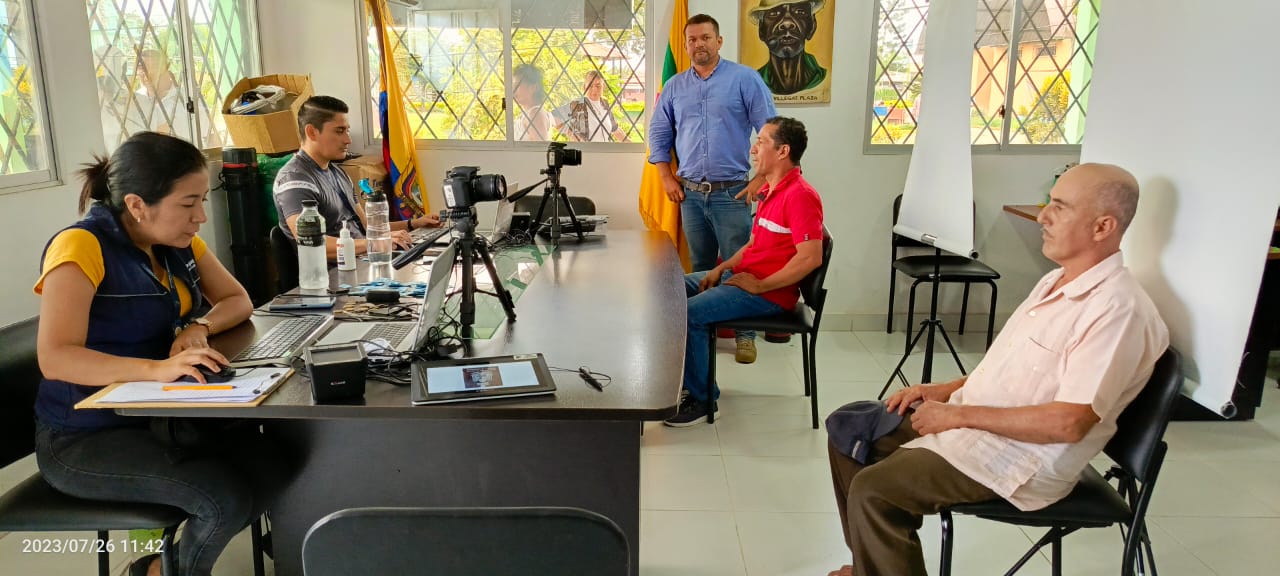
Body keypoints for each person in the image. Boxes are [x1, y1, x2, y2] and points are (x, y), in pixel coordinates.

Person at [826, 163, 1169, 576]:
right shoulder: (1055, 282)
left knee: (876, 490)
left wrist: (957, 415)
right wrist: (945, 390)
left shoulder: (1117, 311)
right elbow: (1015, 371)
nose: (1043, 217)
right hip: (980, 425)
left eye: (1059, 207)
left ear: (1102, 227)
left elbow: (1069, 423)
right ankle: (871, 566)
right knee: (850, 429)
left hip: (1020, 459)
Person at [33, 132, 294, 576]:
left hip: (160, 417)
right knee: (222, 499)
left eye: (202, 200)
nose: (201, 217)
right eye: (188, 203)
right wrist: (158, 369)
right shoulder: (81, 246)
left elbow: (238, 300)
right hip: (83, 436)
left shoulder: (176, 242)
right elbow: (55, 357)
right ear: (137, 205)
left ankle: (157, 568)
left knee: (274, 461)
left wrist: (199, 327)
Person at [666, 116, 823, 427]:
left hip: (768, 293)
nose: (753, 149)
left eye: (761, 142)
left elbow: (810, 258)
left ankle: (703, 400)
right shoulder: (771, 190)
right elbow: (753, 243)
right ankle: (688, 381)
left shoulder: (800, 196)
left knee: (690, 314)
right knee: (668, 291)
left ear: (783, 151)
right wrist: (720, 268)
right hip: (743, 279)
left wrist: (761, 286)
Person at [648, 13, 777, 364]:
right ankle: (702, 335)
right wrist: (665, 176)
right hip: (689, 195)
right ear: (685, 45)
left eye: (705, 37)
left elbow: (770, 131)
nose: (698, 44)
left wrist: (761, 178)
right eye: (692, 39)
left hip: (732, 193)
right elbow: (659, 133)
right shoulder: (674, 86)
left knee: (740, 268)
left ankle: (745, 335)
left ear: (719, 41)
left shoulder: (744, 79)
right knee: (702, 266)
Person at [273, 96, 440, 262]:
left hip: (364, 261)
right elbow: (311, 244)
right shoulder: (294, 180)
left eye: (347, 130)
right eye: (339, 131)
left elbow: (366, 226)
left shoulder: (338, 173)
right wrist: (374, 243)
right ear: (311, 132)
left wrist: (413, 224)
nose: (348, 140)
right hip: (335, 274)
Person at [127, 49, 220, 147]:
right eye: (142, 68)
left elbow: (210, 134)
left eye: (152, 67)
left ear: (164, 69)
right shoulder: (136, 100)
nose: (147, 74)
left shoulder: (188, 97)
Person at [748, 0, 829, 95]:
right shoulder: (754, 83)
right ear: (761, 30)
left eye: (800, 12)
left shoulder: (826, 79)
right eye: (774, 13)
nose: (787, 23)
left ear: (812, 26)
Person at [556, 70, 626, 142]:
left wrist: (629, 143)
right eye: (590, 85)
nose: (594, 89)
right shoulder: (578, 104)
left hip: (604, 149)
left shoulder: (605, 104)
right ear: (584, 87)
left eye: (598, 86)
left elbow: (616, 130)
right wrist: (572, 134)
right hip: (585, 149)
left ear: (603, 86)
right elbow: (555, 117)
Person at [512, 64, 551, 141]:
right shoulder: (528, 114)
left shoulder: (535, 114)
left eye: (517, 85)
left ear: (533, 87)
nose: (513, 90)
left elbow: (541, 147)